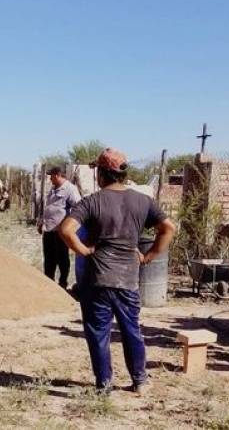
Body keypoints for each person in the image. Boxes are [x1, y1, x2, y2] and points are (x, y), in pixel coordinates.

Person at [57, 148, 176, 394]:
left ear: (101, 173)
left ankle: (104, 385)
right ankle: (140, 381)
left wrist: (84, 251)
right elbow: (168, 228)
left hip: (97, 280)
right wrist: (149, 256)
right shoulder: (143, 201)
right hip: (128, 280)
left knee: (99, 333)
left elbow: (66, 230)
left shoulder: (92, 202)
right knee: (132, 330)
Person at [39, 166, 82, 289]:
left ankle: (62, 284)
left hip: (60, 232)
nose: (50, 179)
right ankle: (48, 283)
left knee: (62, 259)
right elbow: (48, 207)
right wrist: (41, 222)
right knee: (49, 259)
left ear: (57, 175)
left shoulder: (70, 189)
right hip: (48, 230)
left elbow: (78, 208)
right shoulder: (53, 189)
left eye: (51, 176)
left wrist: (69, 225)